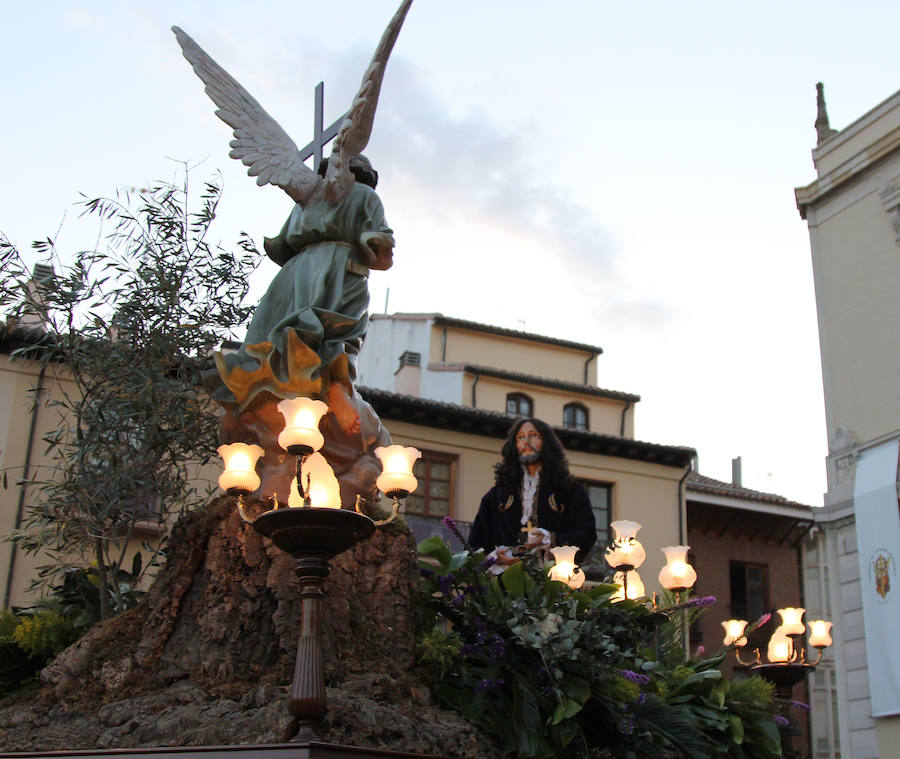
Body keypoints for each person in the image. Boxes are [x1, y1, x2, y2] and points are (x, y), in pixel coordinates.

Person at [222, 155, 394, 434]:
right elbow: (381, 249)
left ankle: (254, 393)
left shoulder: (307, 199)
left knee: (277, 336)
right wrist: (379, 251)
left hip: (294, 273)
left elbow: (282, 244)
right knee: (340, 331)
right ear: (365, 178)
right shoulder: (363, 195)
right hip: (341, 267)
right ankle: (336, 387)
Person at [468, 418, 597, 567]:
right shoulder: (496, 496)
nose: (526, 442)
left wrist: (550, 539)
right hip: (502, 584)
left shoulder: (570, 491)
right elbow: (473, 545)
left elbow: (587, 533)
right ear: (515, 446)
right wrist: (494, 557)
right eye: (520, 438)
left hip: (552, 582)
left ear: (546, 443)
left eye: (534, 436)